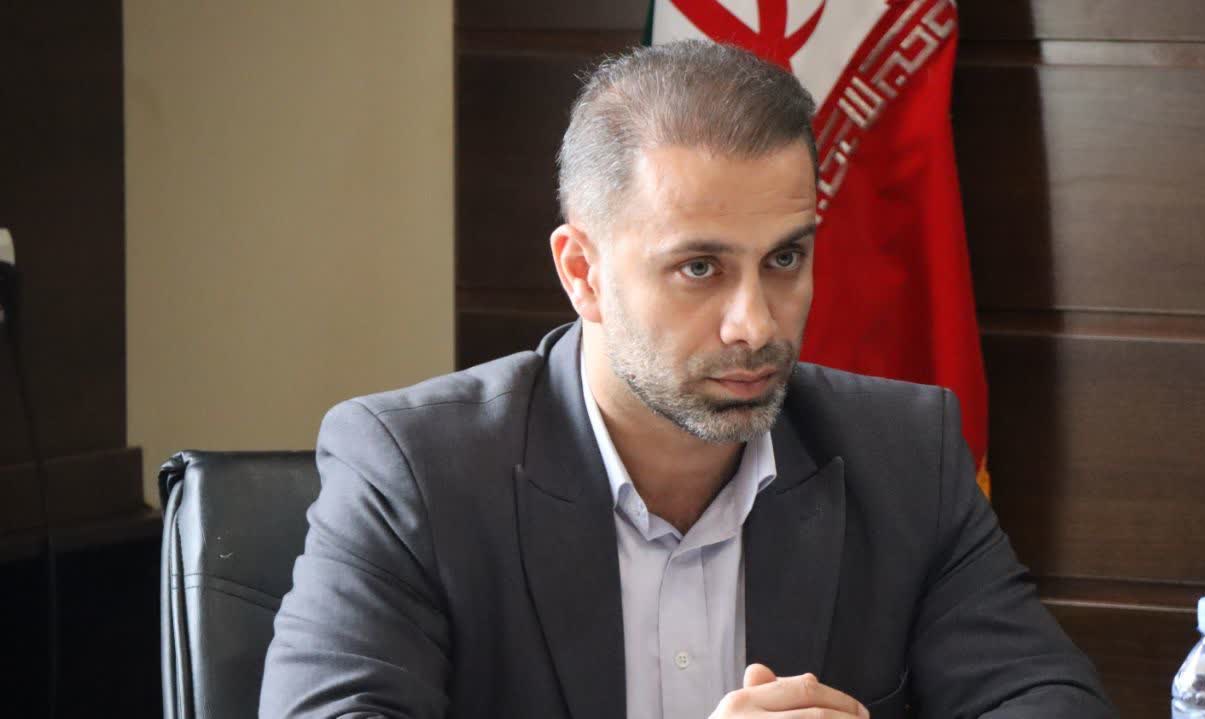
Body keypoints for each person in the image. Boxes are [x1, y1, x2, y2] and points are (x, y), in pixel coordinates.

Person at [260, 40, 1113, 718]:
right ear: (583, 272)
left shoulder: (904, 454)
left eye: (785, 258)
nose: (757, 323)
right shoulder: (415, 471)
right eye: (700, 267)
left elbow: (1048, 701)